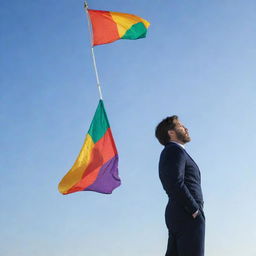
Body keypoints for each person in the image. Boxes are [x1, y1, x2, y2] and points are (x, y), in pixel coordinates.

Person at [155, 115, 205, 256]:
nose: (186, 128)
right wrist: (194, 209)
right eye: (181, 126)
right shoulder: (174, 150)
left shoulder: (175, 151)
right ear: (171, 132)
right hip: (187, 212)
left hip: (181, 211)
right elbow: (174, 182)